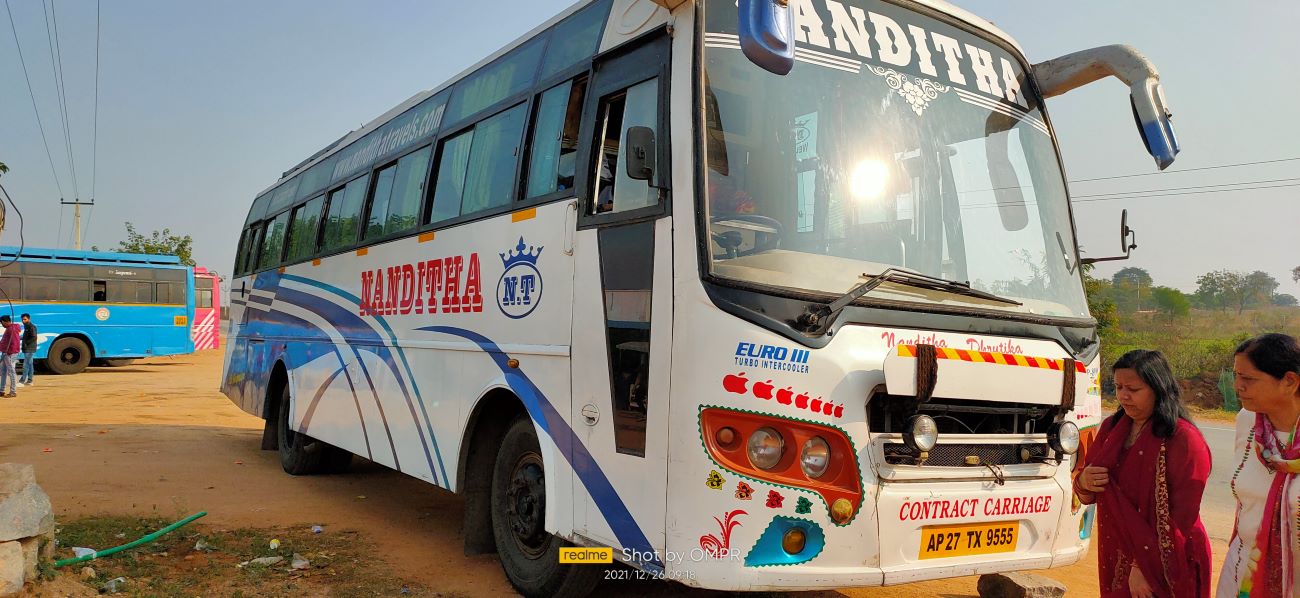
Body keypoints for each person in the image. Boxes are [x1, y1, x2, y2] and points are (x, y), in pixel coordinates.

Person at [1075, 349, 1212, 597]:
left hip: (1169, 557)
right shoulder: (1112, 428)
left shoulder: (1182, 438)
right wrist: (1084, 481)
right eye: (1118, 388)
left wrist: (1144, 566)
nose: (1123, 396)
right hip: (1117, 551)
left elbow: (1183, 515)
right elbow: (1085, 491)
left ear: (1158, 388)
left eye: (1133, 390)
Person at [1217, 333, 1300, 597]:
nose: (1237, 386)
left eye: (1248, 379)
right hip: (1245, 572)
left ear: (1289, 381)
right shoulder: (1248, 422)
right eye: (1236, 376)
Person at [0, 315, 20, 397]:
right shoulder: (10, 329)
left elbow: (15, 343)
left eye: (2, 323)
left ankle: (13, 391)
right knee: (3, 372)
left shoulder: (12, 329)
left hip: (10, 353)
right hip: (6, 353)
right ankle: (2, 390)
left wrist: (9, 352)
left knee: (11, 372)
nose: (2, 324)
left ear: (4, 322)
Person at [19, 313, 36, 386]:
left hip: (29, 348)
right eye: (22, 319)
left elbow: (34, 337)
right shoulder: (27, 326)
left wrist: (26, 343)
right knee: (30, 364)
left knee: (25, 365)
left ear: (29, 319)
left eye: (25, 319)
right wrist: (19, 338)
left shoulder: (31, 326)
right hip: (28, 348)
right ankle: (30, 381)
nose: (23, 321)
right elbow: (27, 337)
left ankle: (22, 381)